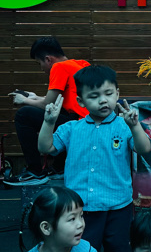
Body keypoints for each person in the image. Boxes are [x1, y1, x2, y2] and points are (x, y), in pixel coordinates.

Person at [38, 64, 151, 252]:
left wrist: (135, 126)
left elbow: (144, 149)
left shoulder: (124, 126)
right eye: (94, 96)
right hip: (81, 209)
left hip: (118, 206)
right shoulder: (72, 128)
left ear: (117, 93)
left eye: (108, 93)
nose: (103, 100)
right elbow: (45, 148)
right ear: (81, 101)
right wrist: (48, 122)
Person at [8, 37, 90, 186]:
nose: (41, 68)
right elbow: (60, 99)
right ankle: (59, 168)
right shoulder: (80, 64)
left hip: (79, 124)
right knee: (61, 114)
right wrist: (34, 97)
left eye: (39, 63)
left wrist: (24, 100)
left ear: (48, 59)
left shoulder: (58, 67)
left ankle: (35, 172)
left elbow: (48, 104)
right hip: (86, 120)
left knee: (23, 115)